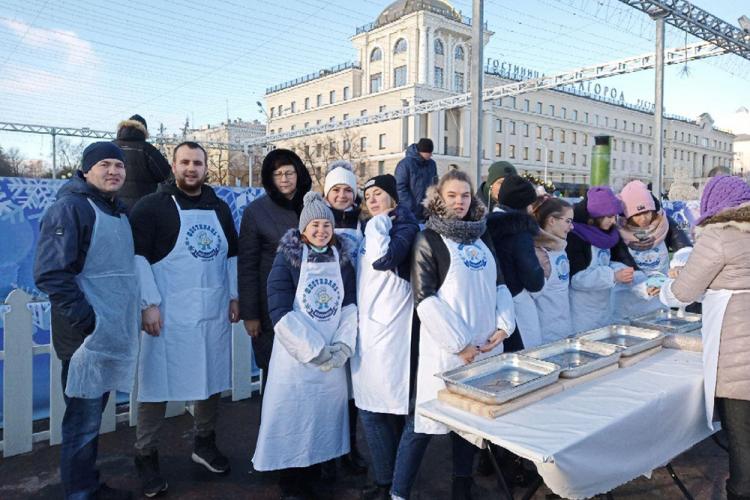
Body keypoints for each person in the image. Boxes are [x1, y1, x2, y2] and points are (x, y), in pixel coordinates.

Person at [391, 170, 515, 500]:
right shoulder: (428, 239)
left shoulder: (482, 235)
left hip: (486, 348)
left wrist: (504, 326)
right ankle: (398, 492)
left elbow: (499, 284)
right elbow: (426, 299)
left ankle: (462, 487)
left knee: (468, 424)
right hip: (447, 351)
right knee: (422, 424)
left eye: (464, 196)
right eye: (452, 196)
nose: (459, 202)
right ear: (439, 199)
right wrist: (461, 345)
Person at [129, 141, 238, 496]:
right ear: (173, 166)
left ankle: (204, 444)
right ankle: (145, 455)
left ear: (207, 167)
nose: (192, 169)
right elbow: (138, 258)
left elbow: (232, 256)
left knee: (210, 379)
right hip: (167, 315)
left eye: (198, 163)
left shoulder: (220, 208)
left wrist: (235, 295)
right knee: (156, 385)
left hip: (210, 313)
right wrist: (148, 304)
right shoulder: (151, 207)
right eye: (185, 162)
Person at [34, 142, 138, 500]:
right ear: (86, 170)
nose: (113, 171)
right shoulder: (70, 209)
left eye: (118, 165)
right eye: (104, 164)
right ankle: (80, 491)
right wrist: (88, 321)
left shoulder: (117, 211)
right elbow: (51, 274)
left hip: (109, 333)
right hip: (86, 339)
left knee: (92, 418)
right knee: (82, 421)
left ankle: (87, 484)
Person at [253, 192, 358, 499]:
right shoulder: (287, 258)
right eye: (315, 225)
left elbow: (350, 305)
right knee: (293, 417)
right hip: (296, 359)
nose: (322, 230)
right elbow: (280, 311)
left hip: (332, 360)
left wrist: (342, 345)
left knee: (324, 418)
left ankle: (319, 471)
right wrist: (314, 349)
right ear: (303, 230)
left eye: (326, 224)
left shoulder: (343, 259)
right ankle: (291, 480)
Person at [659, 175, 750, 500]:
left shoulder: (717, 236)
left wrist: (664, 289)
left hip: (739, 358)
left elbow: (684, 293)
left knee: (743, 450)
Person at [352, 174, 420, 499]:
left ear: (393, 198)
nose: (373, 200)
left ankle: (390, 482)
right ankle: (388, 479)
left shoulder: (401, 226)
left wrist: (377, 225)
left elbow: (383, 260)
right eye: (369, 196)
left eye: (379, 194)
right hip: (369, 330)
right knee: (372, 408)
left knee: (380, 408)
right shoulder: (372, 226)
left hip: (391, 330)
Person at [238, 149, 312, 386]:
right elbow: (247, 266)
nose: (284, 179)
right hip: (272, 308)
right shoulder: (256, 212)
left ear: (298, 173)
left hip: (310, 305)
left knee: (310, 371)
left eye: (289, 172)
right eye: (277, 174)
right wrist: (250, 314)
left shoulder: (312, 206)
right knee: (277, 377)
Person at [322, 159, 367, 475]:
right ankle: (326, 451)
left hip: (357, 310)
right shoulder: (318, 221)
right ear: (326, 195)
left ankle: (349, 447)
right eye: (335, 189)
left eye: (346, 189)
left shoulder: (365, 222)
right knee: (328, 385)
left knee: (351, 388)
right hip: (326, 311)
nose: (341, 195)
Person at [611, 180, 692, 321]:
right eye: (637, 215)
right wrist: (644, 285)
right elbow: (623, 263)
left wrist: (680, 265)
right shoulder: (618, 232)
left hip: (658, 302)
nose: (643, 219)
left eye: (647, 212)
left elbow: (684, 248)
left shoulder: (665, 224)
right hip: (627, 303)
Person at [487, 174, 545, 352]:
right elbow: (533, 279)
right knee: (525, 355)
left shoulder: (485, 226)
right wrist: (542, 272)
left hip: (490, 303)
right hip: (516, 303)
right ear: (524, 204)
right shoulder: (519, 231)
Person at [566, 187, 633, 333]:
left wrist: (620, 270)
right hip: (582, 312)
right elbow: (577, 279)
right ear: (595, 216)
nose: (613, 220)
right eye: (608, 216)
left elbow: (611, 261)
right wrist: (612, 276)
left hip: (603, 306)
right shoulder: (576, 237)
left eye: (614, 216)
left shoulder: (609, 235)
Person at [532, 198, 574, 343]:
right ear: (551, 220)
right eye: (568, 221)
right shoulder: (539, 253)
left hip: (563, 329)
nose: (571, 227)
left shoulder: (561, 247)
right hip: (545, 335)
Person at [113, 114, 171, 209]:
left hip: (113, 207)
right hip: (143, 207)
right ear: (144, 131)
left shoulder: (110, 147)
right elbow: (165, 175)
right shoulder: (148, 150)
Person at [394, 138, 437, 223]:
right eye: (429, 153)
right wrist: (411, 206)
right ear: (422, 152)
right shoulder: (405, 164)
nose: (431, 155)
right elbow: (400, 187)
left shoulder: (432, 164)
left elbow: (435, 184)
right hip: (410, 211)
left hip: (427, 211)